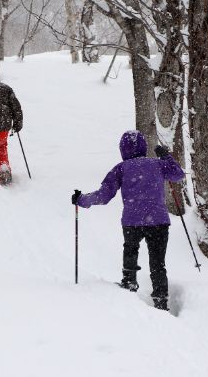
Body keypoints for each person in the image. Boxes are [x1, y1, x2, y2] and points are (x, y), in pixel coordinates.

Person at [71, 131, 185, 311]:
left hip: (133, 220)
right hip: (158, 221)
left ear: (122, 149)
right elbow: (178, 175)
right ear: (143, 147)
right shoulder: (157, 164)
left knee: (131, 250)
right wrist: (166, 157)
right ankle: (161, 300)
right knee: (158, 263)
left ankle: (129, 283)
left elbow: (104, 195)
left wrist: (81, 200)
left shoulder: (121, 168)